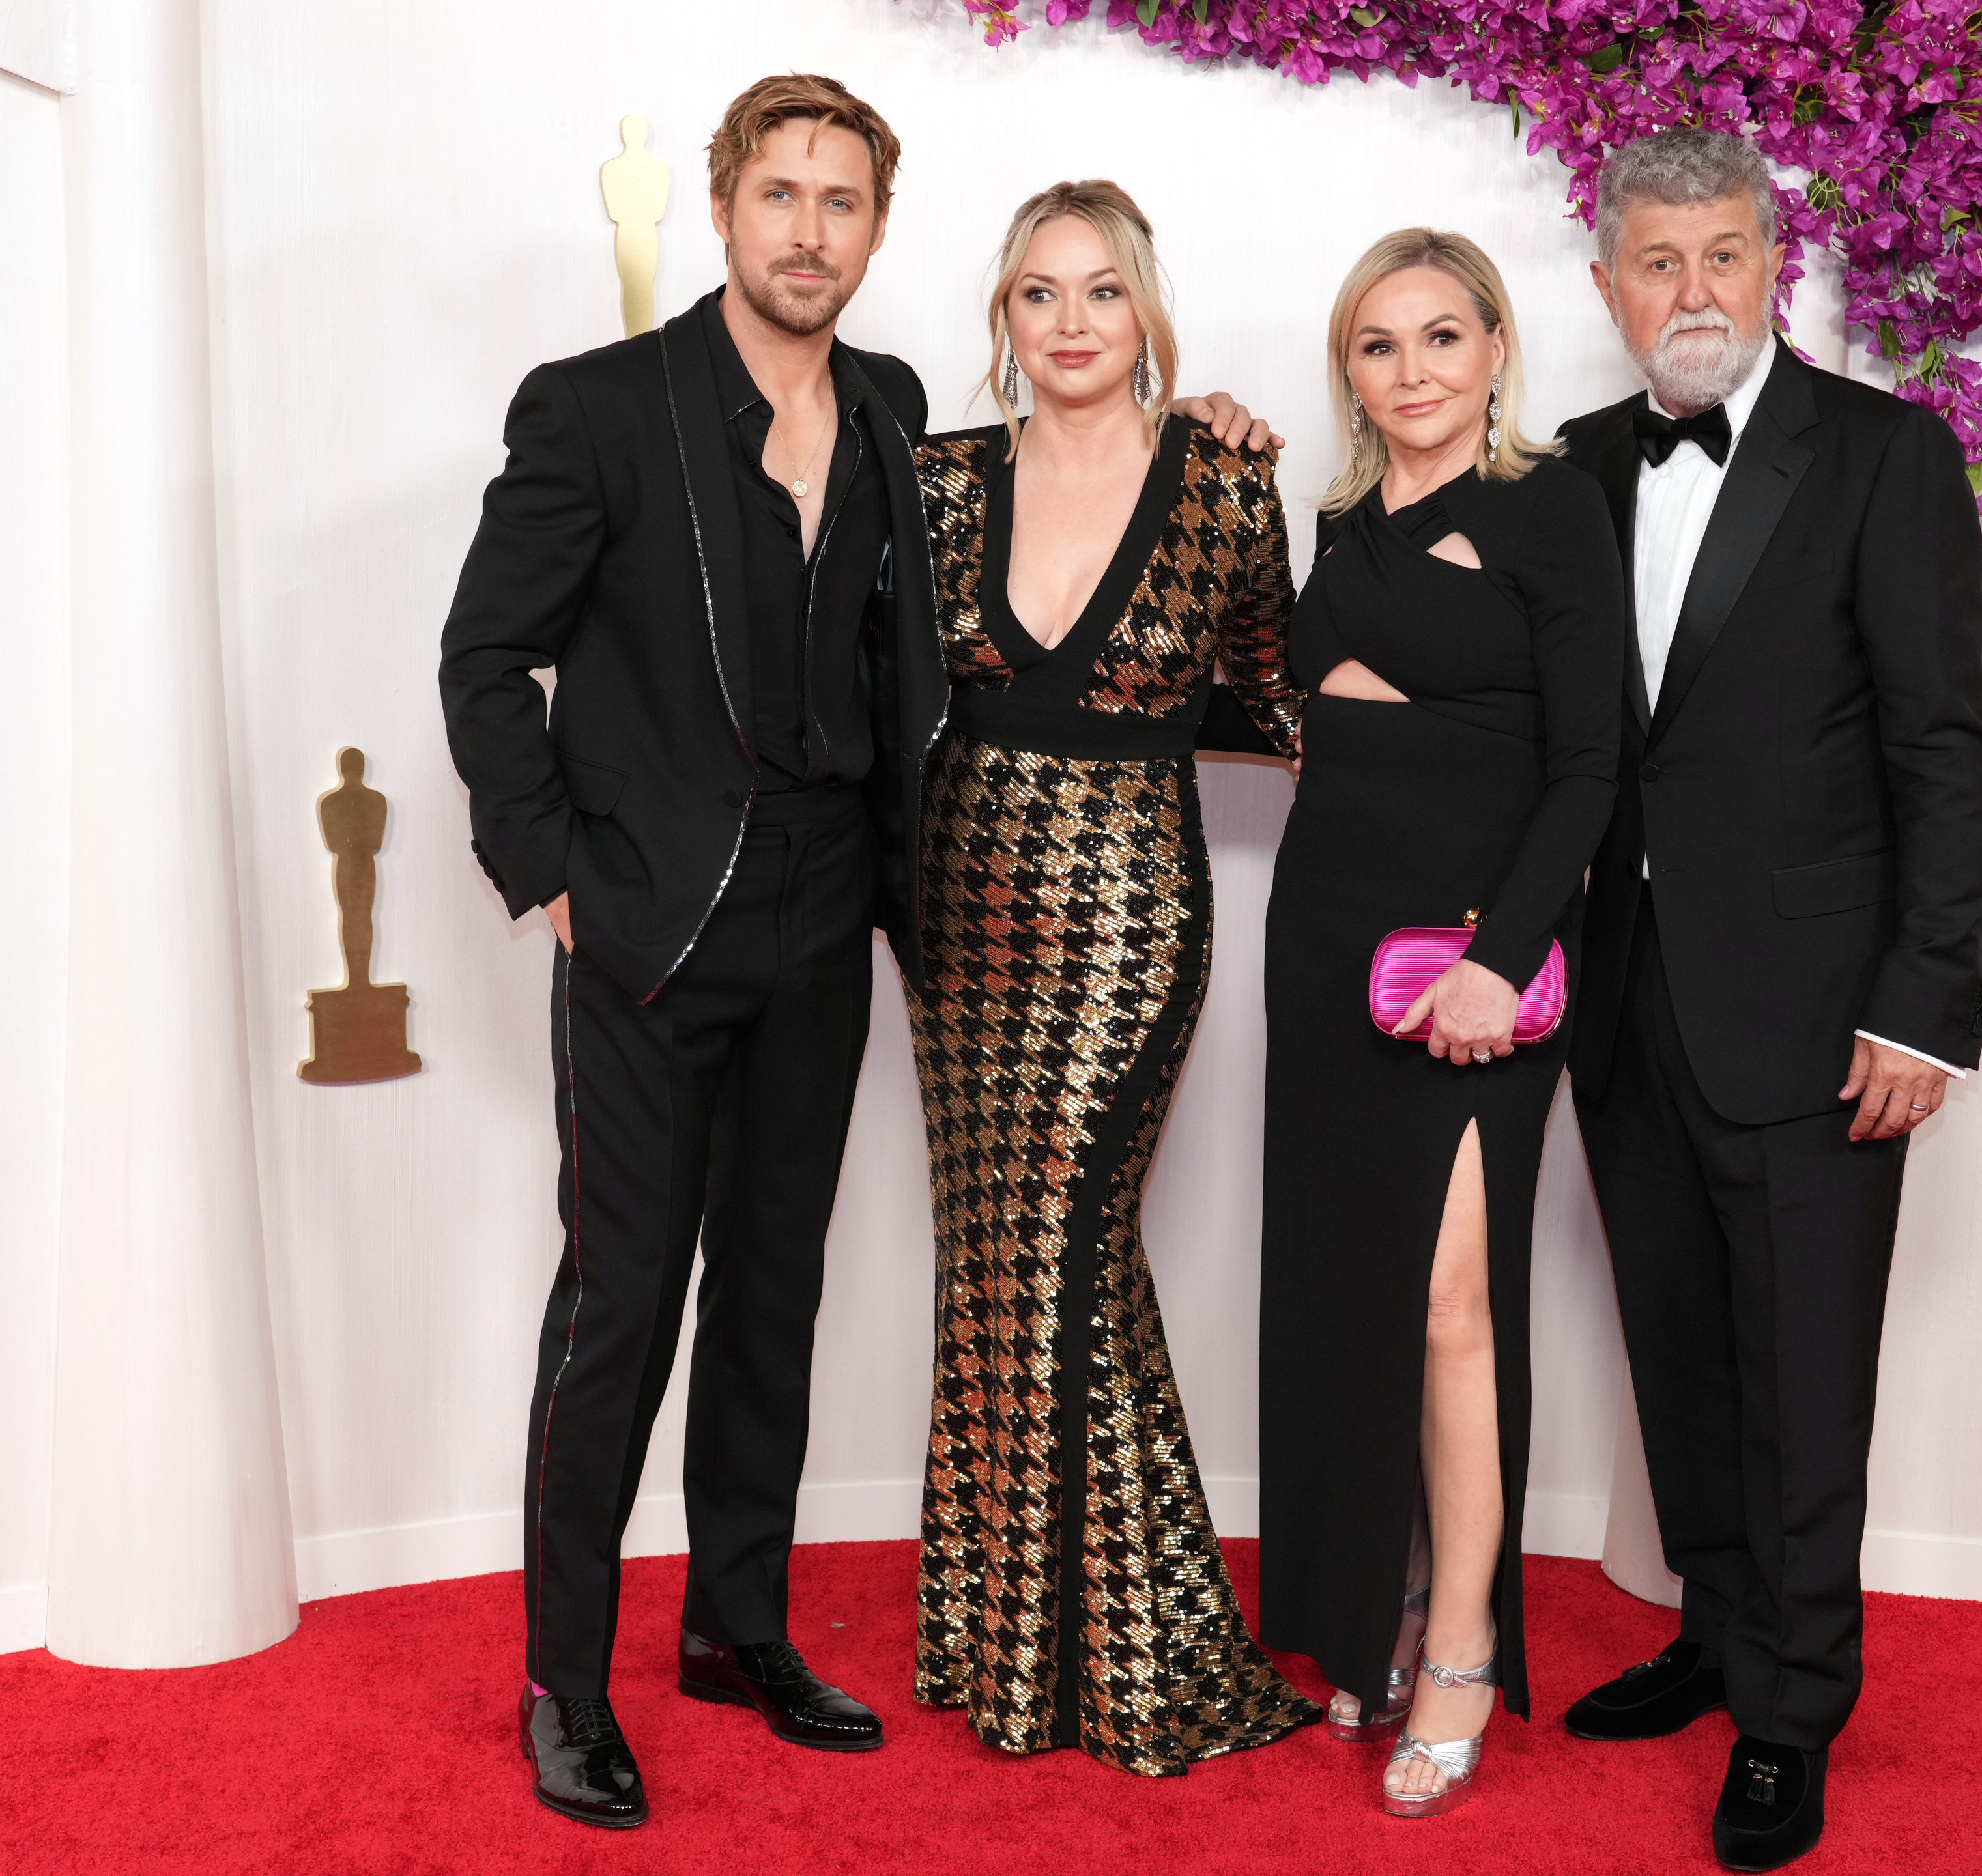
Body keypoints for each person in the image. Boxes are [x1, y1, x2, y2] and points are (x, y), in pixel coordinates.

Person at [438, 76, 1270, 1828]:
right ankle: (567, 1685)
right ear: (730, 206)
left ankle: (735, 1623)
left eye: (842, 203)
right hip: (654, 929)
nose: (808, 229)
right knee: (618, 1309)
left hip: (838, 920)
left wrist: (1200, 425)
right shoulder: (600, 409)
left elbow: (1072, 489)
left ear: (875, 233)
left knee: (776, 1295)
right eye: (781, 194)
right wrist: (556, 882)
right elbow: (483, 660)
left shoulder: (899, 414)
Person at [1555, 129, 1982, 1872]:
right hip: (1621, 999)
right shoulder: (1574, 466)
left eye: (1723, 255)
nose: (1692, 293)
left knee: (1805, 1370)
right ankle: (1718, 1630)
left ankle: (1794, 1711)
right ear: (1607, 288)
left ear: (1773, 265)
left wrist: (1924, 1004)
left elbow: (1940, 754)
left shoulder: (1884, 457)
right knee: (1680, 1344)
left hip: (1822, 1013)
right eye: (1657, 262)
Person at [906, 180, 1319, 1777]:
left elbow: (1286, 703)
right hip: (956, 919)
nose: (1071, 324)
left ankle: (1121, 1658)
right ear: (1002, 319)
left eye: (1102, 293)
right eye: (1037, 295)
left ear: (1147, 312)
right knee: (997, 1263)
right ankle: (1015, 1642)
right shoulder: (936, 480)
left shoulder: (1223, 483)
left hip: (1132, 913)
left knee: (1065, 1244)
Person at [1258, 229, 1628, 1817]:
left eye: (1440, 339)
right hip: (1326, 937)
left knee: (1452, 1309)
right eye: (1377, 345)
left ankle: (1465, 1644)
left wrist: (1506, 952)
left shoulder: (1549, 507)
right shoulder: (1334, 519)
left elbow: (1589, 766)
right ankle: (1374, 1606)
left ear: (1494, 351)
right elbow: (1293, 712)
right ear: (1350, 369)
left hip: (1477, 958)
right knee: (1357, 1291)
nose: (1412, 372)